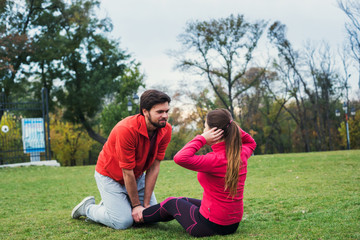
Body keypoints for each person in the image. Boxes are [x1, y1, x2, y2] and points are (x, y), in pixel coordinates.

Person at [141, 108, 256, 237]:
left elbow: (180, 158)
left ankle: (139, 216)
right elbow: (251, 142)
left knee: (171, 203)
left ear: (214, 131)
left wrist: (202, 139)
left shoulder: (215, 159)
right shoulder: (241, 153)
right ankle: (148, 214)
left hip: (210, 225)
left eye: (205, 128)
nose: (204, 131)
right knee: (182, 200)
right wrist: (229, 127)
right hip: (232, 223)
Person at [71, 89, 172, 230]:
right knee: (123, 222)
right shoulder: (126, 129)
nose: (165, 116)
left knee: (151, 218)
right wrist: (137, 206)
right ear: (145, 111)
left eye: (167, 111)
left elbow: (154, 166)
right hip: (110, 175)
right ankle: (87, 209)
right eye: (159, 112)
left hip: (136, 176)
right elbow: (127, 171)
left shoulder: (166, 129)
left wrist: (147, 204)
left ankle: (112, 205)